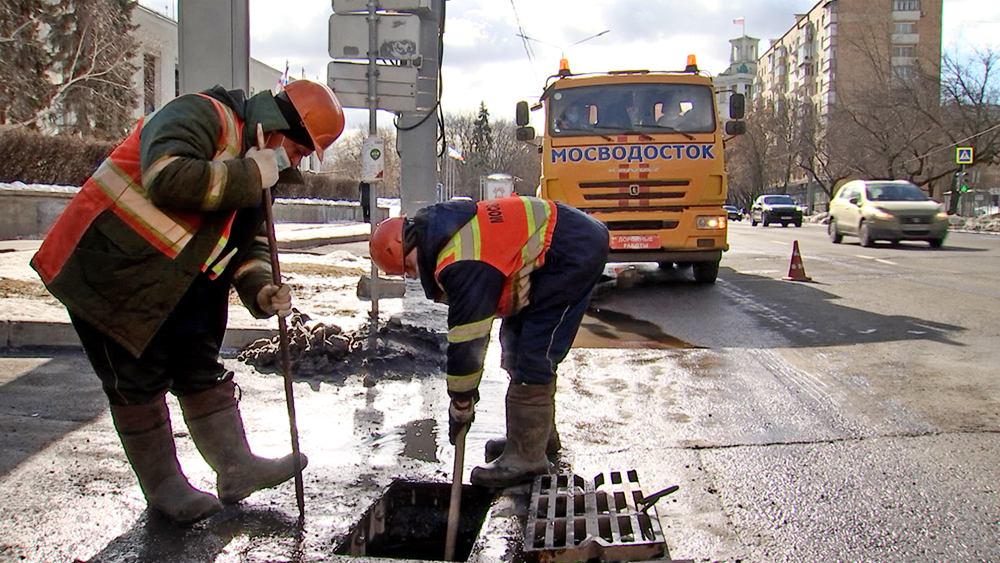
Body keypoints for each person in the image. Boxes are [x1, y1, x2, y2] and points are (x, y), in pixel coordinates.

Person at [30, 79, 345, 524]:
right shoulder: (201, 115)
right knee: (134, 378)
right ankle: (163, 488)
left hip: (177, 280)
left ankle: (237, 468)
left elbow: (249, 240)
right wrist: (252, 173)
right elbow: (167, 178)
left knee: (199, 364)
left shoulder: (259, 162)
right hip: (108, 270)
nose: (295, 161)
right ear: (277, 128)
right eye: (298, 150)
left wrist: (261, 286)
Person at [369, 196, 609, 488]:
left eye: (407, 266)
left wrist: (461, 401)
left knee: (536, 350)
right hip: (561, 240)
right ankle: (535, 437)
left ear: (408, 243)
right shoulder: (446, 233)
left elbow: (468, 340)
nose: (413, 274)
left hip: (572, 250)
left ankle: (527, 457)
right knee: (515, 342)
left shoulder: (461, 260)